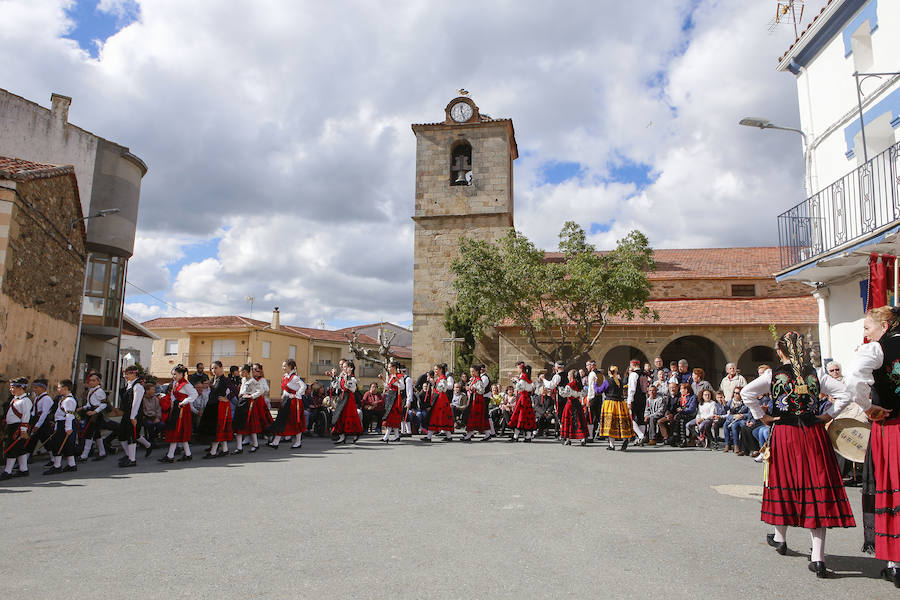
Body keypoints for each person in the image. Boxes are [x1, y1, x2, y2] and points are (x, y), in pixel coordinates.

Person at [740, 331, 854, 579]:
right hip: (813, 434)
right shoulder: (817, 373)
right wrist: (828, 414)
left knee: (783, 483)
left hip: (785, 434)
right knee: (817, 487)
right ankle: (818, 558)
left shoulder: (772, 375)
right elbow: (846, 393)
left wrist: (763, 417)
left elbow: (746, 393)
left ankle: (780, 538)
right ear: (801, 350)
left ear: (780, 352)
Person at [843, 305, 900, 585]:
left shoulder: (877, 349)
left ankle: (895, 560)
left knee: (891, 489)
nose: (865, 334)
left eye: (867, 328)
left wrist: (868, 406)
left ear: (885, 326)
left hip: (893, 428)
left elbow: (853, 379)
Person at [158, 365, 198, 463]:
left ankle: (170, 456)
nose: (173, 376)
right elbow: (172, 394)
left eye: (175, 374)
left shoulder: (186, 384)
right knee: (178, 431)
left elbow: (194, 394)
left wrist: (184, 402)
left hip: (182, 410)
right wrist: (173, 401)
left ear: (181, 374)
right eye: (173, 374)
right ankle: (187, 454)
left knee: (177, 430)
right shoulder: (176, 383)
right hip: (177, 408)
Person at [197, 361, 234, 458]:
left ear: (221, 368)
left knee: (217, 429)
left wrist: (227, 398)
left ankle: (213, 452)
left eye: (216, 368)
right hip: (212, 405)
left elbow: (235, 390)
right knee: (217, 429)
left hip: (219, 406)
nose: (214, 370)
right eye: (212, 368)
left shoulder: (225, 379)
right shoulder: (214, 379)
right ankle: (225, 449)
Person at [268, 359, 307, 449]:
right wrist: (283, 396)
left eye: (285, 366)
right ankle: (276, 441)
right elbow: (285, 389)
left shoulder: (295, 377)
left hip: (294, 402)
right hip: (286, 400)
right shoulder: (285, 376)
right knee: (281, 419)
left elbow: (304, 386)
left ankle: (298, 442)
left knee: (295, 421)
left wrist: (296, 394)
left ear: (290, 367)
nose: (283, 368)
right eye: (283, 366)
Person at [43, 379, 78, 475]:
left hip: (64, 424)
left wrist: (68, 428)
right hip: (61, 423)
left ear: (65, 388)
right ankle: (71, 465)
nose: (58, 389)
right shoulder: (64, 399)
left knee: (57, 444)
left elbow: (69, 415)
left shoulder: (68, 400)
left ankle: (57, 466)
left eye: (59, 387)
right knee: (66, 444)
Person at [2, 377, 33, 480]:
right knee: (20, 449)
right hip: (12, 426)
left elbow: (26, 416)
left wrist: (23, 430)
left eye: (13, 387)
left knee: (11, 447)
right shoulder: (15, 399)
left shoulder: (25, 400)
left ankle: (8, 471)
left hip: (18, 427)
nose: (11, 390)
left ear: (20, 388)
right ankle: (23, 469)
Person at [233, 364, 267, 453]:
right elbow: (242, 389)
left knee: (251, 424)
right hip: (241, 402)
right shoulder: (243, 379)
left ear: (245, 372)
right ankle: (239, 447)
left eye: (241, 371)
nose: (240, 373)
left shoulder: (253, 381)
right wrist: (240, 394)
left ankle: (255, 444)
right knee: (239, 425)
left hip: (249, 404)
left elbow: (261, 390)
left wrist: (252, 396)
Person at [116, 365, 146, 468]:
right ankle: (129, 455)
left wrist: (133, 417)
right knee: (121, 435)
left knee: (131, 436)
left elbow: (136, 403)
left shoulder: (138, 386)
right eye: (125, 374)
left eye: (127, 374)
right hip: (127, 413)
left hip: (134, 414)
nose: (125, 376)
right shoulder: (129, 385)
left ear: (134, 374)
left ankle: (132, 459)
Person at [599, 366, 631, 451]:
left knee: (610, 424)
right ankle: (625, 440)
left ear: (609, 372)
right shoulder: (620, 381)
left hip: (610, 404)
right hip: (620, 404)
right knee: (621, 423)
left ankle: (612, 445)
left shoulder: (607, 381)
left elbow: (598, 391)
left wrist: (595, 384)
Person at [78, 372, 109, 462]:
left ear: (98, 381)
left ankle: (84, 455)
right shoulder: (91, 390)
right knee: (96, 434)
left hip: (96, 415)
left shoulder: (100, 392)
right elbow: (89, 403)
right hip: (91, 412)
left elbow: (104, 404)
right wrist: (83, 407)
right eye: (90, 380)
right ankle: (102, 452)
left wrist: (94, 412)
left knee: (89, 433)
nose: (91, 382)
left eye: (93, 380)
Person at [332, 360, 363, 444]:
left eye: (345, 366)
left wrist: (347, 379)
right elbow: (336, 386)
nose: (343, 368)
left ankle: (356, 433)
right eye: (343, 366)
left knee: (350, 416)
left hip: (349, 399)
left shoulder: (352, 378)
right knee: (340, 416)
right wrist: (334, 376)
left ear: (350, 368)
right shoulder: (342, 376)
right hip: (342, 398)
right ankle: (341, 436)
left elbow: (352, 389)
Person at [24, 379, 55, 464]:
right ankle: (25, 460)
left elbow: (44, 413)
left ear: (42, 388)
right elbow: (34, 411)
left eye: (36, 388)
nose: (34, 389)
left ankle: (54, 459)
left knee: (46, 440)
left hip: (43, 422)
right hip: (35, 420)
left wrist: (38, 425)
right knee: (31, 440)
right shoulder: (37, 397)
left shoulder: (46, 399)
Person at [422, 363, 454, 442]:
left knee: (436, 416)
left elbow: (442, 389)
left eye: (436, 369)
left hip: (440, 400)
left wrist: (434, 383)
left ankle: (429, 437)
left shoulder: (442, 378)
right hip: (439, 399)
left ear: (440, 370)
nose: (435, 371)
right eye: (435, 369)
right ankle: (448, 436)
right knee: (442, 417)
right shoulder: (440, 378)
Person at [506, 362, 536, 443]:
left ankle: (516, 436)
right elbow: (530, 387)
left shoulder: (523, 377)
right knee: (527, 416)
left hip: (523, 398)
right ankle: (528, 436)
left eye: (518, 368)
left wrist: (515, 381)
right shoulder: (527, 377)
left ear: (521, 369)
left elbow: (521, 387)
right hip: (526, 398)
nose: (517, 370)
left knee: (520, 416)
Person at [461, 365, 492, 442]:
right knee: (476, 417)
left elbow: (481, 390)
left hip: (477, 400)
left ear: (477, 371)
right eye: (471, 371)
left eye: (473, 371)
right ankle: (486, 433)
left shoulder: (478, 380)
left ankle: (470, 434)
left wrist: (473, 388)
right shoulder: (474, 379)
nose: (471, 373)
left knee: (475, 416)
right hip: (474, 399)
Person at [558, 370, 589, 446]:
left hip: (570, 404)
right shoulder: (580, 385)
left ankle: (568, 439)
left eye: (568, 375)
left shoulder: (569, 385)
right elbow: (584, 393)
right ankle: (583, 438)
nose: (568, 377)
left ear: (571, 376)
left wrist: (560, 389)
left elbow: (565, 394)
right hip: (577, 403)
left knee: (569, 420)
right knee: (579, 420)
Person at [381, 362, 405, 443]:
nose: (388, 369)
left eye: (389, 367)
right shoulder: (391, 376)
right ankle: (396, 436)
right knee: (391, 416)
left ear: (394, 367)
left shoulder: (400, 376)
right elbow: (387, 387)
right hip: (390, 396)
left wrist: (398, 380)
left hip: (396, 397)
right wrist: (383, 379)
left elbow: (402, 387)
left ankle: (386, 436)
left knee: (392, 416)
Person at [626, 359, 648, 445]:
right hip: (643, 397)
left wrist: (629, 401)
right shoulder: (644, 374)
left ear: (633, 365)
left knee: (630, 417)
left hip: (635, 397)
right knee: (640, 418)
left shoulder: (633, 374)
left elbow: (631, 389)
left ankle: (640, 435)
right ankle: (639, 439)